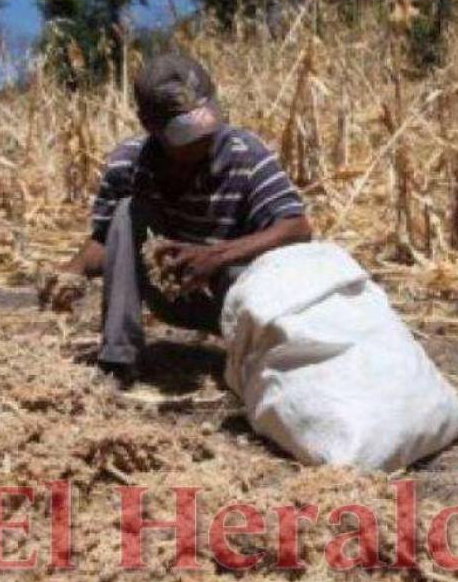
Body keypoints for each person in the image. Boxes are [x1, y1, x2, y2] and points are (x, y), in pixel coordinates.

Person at [44, 52, 312, 383]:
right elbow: (108, 240)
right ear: (148, 125)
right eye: (184, 131)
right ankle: (118, 360)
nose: (200, 139)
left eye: (206, 121)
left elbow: (296, 227)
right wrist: (73, 272)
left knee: (247, 275)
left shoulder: (247, 154)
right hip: (173, 295)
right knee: (127, 211)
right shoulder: (127, 164)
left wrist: (215, 257)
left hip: (239, 299)